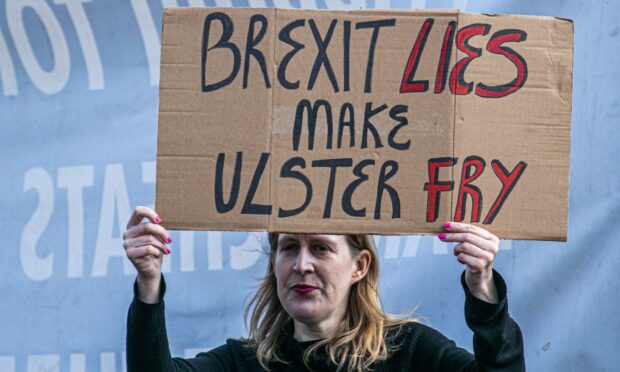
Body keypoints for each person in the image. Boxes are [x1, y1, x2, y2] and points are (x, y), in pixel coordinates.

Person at [125, 206, 525, 371]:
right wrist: (148, 281)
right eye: (289, 248)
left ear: (359, 266)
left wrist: (483, 287)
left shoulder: (410, 352)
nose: (302, 265)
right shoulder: (246, 363)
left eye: (320, 248)